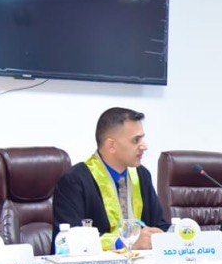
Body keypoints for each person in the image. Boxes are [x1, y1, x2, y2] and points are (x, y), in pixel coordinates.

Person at [52, 107, 169, 251]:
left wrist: (160, 235)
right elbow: (69, 241)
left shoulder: (142, 174)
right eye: (136, 140)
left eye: (142, 138)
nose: (144, 146)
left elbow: (159, 224)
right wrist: (124, 242)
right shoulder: (75, 181)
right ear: (111, 145)